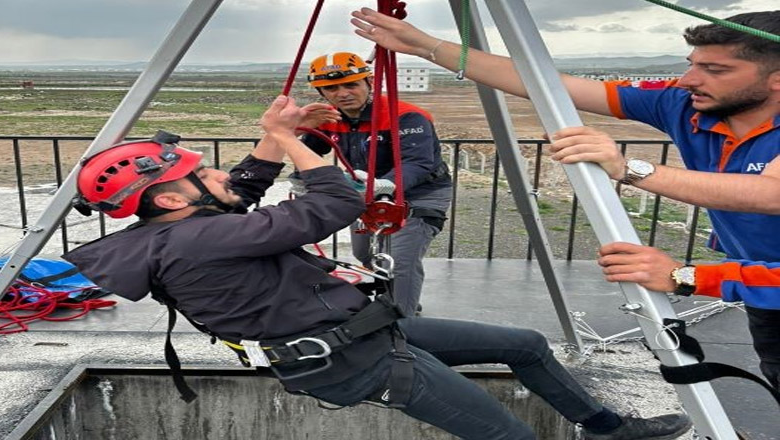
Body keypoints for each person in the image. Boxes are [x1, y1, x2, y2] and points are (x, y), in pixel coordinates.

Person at [64, 95, 691, 440]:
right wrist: (289, 141)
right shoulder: (202, 240)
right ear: (174, 197)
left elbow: (244, 188)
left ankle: (607, 428)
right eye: (204, 173)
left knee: (524, 345)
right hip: (349, 360)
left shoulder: (179, 227)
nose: (223, 173)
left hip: (366, 331)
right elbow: (335, 202)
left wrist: (271, 136)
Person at [350, 8, 780, 390]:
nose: (689, 79)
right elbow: (546, 84)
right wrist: (426, 46)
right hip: (762, 285)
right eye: (691, 65)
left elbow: (770, 194)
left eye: (715, 70)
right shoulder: (683, 103)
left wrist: (631, 173)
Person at [297, 51, 452, 316]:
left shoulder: (406, 116)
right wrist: (301, 176)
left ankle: (403, 322)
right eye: (331, 88)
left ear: (368, 83)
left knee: (400, 261)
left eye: (351, 84)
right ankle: (401, 300)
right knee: (366, 254)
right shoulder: (330, 119)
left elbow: (418, 162)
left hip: (419, 194)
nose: (342, 93)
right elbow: (310, 153)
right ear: (321, 92)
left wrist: (386, 184)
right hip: (368, 192)